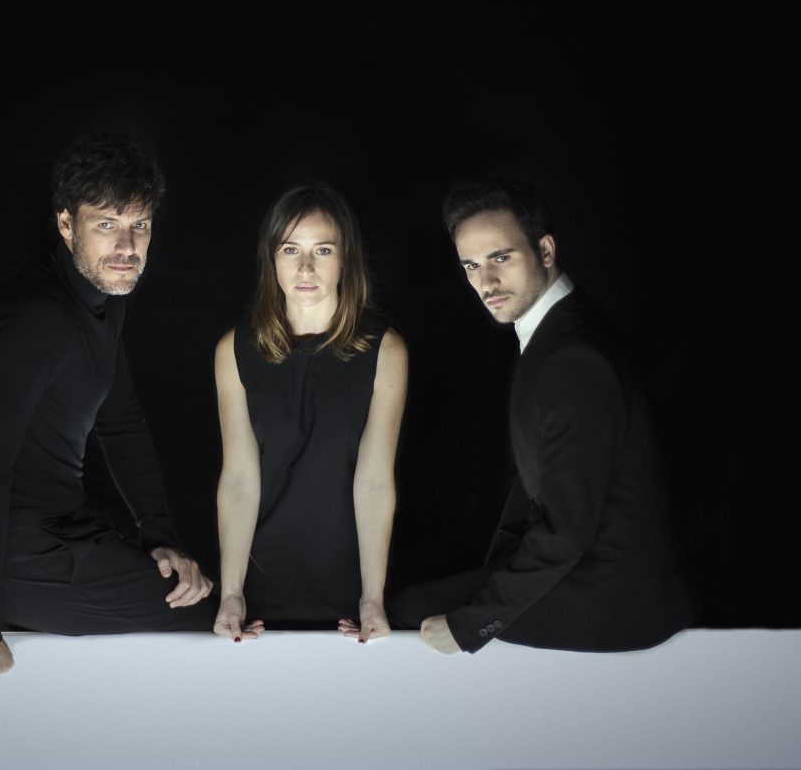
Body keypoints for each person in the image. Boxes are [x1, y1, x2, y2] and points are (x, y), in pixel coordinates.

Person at [391, 179, 698, 654]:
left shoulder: (573, 358)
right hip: (594, 566)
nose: (486, 282)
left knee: (412, 615)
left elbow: (566, 530)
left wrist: (473, 626)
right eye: (471, 265)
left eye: (501, 258)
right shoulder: (561, 325)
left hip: (616, 596)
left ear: (546, 250)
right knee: (416, 594)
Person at [0, 134, 216, 677]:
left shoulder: (106, 295)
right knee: (206, 611)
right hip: (12, 555)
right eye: (106, 224)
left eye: (140, 225)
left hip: (66, 527)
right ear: (66, 224)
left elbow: (120, 422)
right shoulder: (36, 320)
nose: (127, 246)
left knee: (206, 585)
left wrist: (160, 536)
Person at [212, 183, 408, 643]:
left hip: (351, 593)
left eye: (322, 250)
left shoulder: (386, 350)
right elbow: (239, 478)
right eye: (290, 250)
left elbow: (375, 481)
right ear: (272, 259)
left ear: (345, 259)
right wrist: (232, 593)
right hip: (260, 592)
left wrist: (372, 598)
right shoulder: (233, 350)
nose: (305, 268)